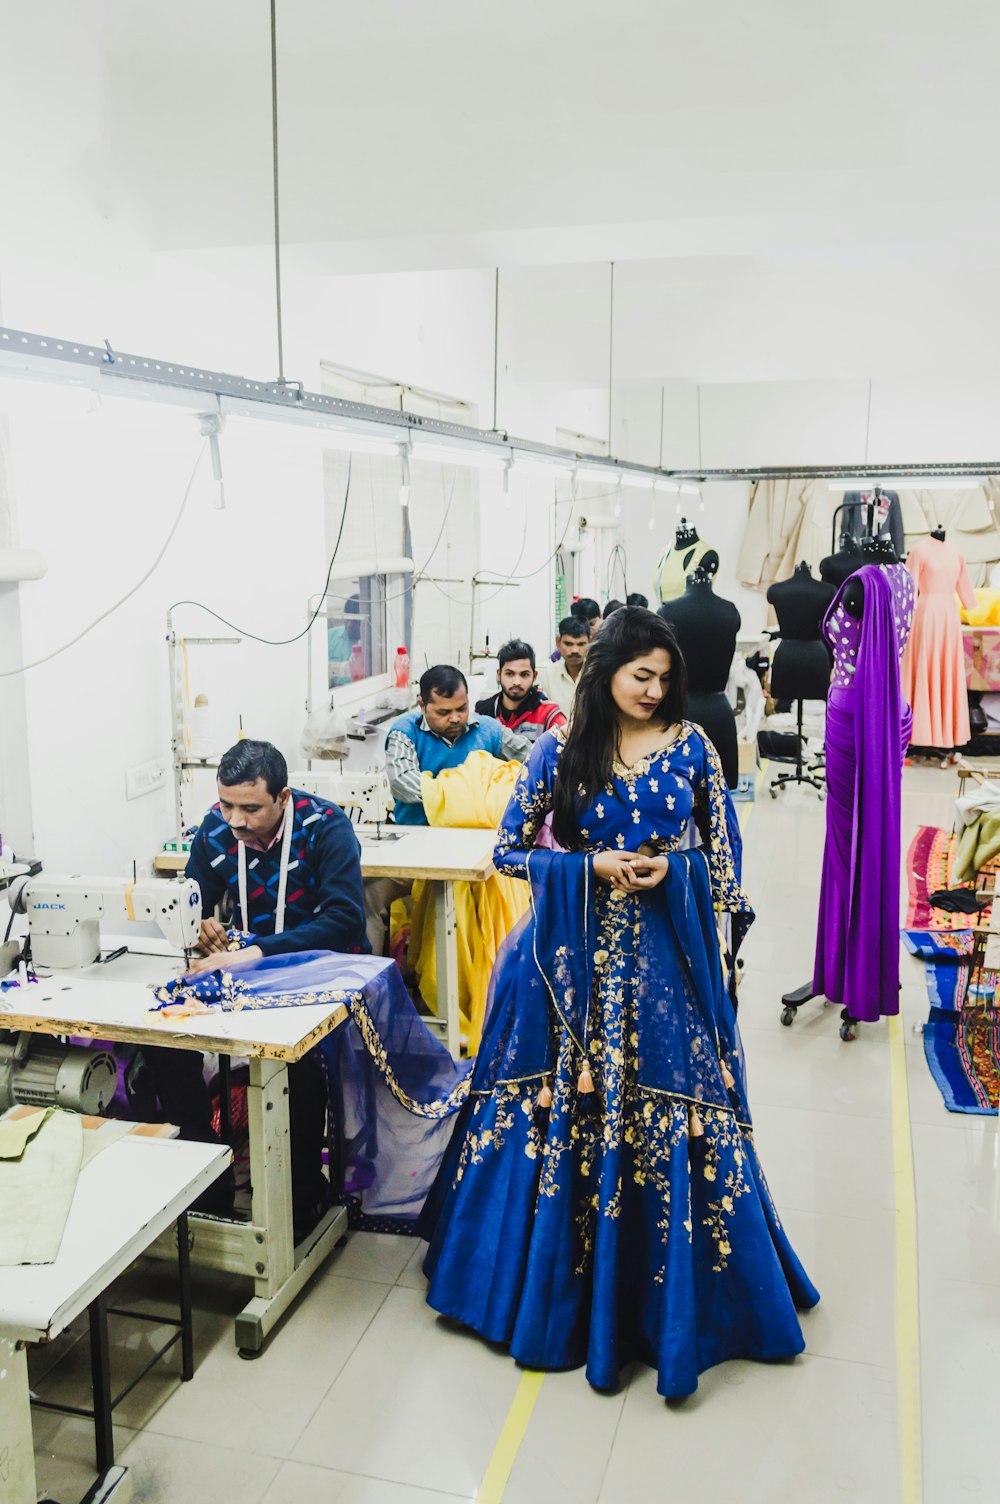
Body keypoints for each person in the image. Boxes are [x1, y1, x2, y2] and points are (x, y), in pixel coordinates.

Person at [421, 607, 819, 1398]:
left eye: (666, 678)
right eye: (643, 676)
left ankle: (667, 1306)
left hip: (665, 965)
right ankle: (548, 1295)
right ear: (603, 672)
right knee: (556, 1102)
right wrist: (586, 868)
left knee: (674, 1107)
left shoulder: (694, 747)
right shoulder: (560, 748)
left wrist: (681, 875)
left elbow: (725, 860)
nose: (656, 690)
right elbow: (507, 850)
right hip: (565, 969)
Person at [138, 739, 369, 1238]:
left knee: (299, 1065)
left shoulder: (326, 828)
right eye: (226, 804)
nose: (235, 820)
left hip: (324, 973)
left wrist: (253, 952)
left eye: (249, 807)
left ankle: (301, 1194)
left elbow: (344, 921)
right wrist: (199, 923)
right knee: (163, 1048)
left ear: (282, 797)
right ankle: (208, 1180)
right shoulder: (216, 829)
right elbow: (192, 895)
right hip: (246, 971)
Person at [385, 664, 529, 825]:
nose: (455, 718)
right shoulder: (405, 732)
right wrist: (461, 792)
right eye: (443, 712)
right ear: (422, 706)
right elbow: (401, 780)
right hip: (419, 835)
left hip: (478, 836)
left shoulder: (490, 731)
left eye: (462, 708)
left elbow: (534, 759)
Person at [475, 639, 567, 743]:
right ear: (499, 674)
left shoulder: (549, 715)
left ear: (534, 676)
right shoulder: (483, 712)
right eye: (510, 674)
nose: (517, 682)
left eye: (524, 675)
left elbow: (567, 751)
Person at [536, 615, 591, 716]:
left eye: (581, 644)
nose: (574, 650)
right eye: (568, 644)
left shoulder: (599, 674)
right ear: (558, 642)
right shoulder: (547, 676)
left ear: (590, 642)